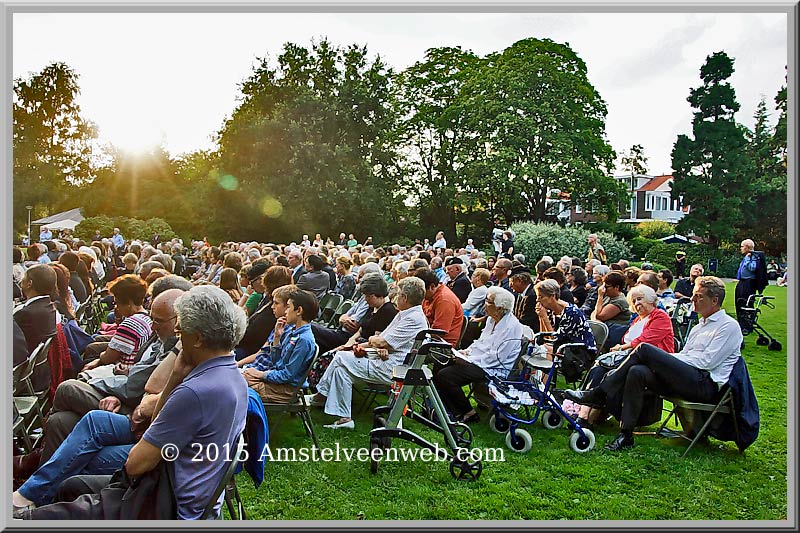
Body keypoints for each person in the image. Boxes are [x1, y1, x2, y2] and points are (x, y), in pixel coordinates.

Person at [17, 285, 249, 520]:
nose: (178, 341)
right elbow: (154, 425)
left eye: (180, 333)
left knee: (57, 493)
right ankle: (30, 494)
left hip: (164, 504)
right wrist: (176, 375)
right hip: (183, 494)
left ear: (197, 338)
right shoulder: (233, 378)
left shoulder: (195, 392)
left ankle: (24, 509)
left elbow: (135, 465)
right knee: (72, 479)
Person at [565, 276, 742, 452]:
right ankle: (626, 434)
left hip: (705, 384)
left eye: (698, 296)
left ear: (715, 300)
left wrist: (667, 359)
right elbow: (687, 355)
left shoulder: (728, 327)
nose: (692, 299)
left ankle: (599, 392)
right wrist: (671, 359)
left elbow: (706, 362)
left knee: (644, 349)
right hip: (688, 377)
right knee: (637, 371)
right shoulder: (699, 327)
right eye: (694, 295)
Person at [307, 276, 429, 430]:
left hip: (392, 368)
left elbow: (382, 342)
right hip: (387, 360)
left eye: (397, 294)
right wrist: (369, 342)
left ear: (404, 298)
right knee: (340, 370)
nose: (394, 297)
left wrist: (373, 340)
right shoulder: (405, 314)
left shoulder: (413, 318)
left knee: (340, 357)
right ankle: (345, 419)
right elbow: (382, 341)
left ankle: (320, 395)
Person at [574, 285, 674, 430]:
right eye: (633, 301)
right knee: (598, 369)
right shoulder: (637, 320)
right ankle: (582, 417)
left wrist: (621, 348)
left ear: (651, 299)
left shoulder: (660, 316)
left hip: (652, 364)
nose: (637, 303)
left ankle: (589, 418)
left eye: (640, 299)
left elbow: (645, 341)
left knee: (609, 372)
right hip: (628, 358)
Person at [433, 286, 523, 423]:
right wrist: (466, 352)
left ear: (500, 308)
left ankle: (468, 412)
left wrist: (469, 359)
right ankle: (444, 407)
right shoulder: (491, 319)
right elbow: (481, 343)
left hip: (493, 368)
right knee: (441, 362)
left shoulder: (511, 327)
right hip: (481, 360)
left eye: (488, 301)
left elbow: (497, 357)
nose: (484, 304)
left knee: (446, 376)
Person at [241, 289, 318, 403]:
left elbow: (287, 375)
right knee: (236, 377)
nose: (286, 311)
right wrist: (277, 338)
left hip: (286, 390)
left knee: (237, 386)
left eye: (288, 307)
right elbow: (277, 362)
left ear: (299, 311)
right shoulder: (293, 331)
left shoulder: (303, 340)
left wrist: (261, 374)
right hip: (277, 382)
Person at [81, 275, 152, 375]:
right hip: (131, 366)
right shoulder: (146, 316)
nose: (116, 307)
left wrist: (98, 360)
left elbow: (108, 358)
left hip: (122, 372)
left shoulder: (131, 324)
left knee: (86, 364)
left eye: (117, 302)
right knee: (93, 347)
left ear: (128, 303)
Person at [535, 279, 597, 360]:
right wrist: (541, 317)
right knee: (539, 348)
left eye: (541, 297)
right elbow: (546, 336)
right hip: (563, 347)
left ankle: (549, 372)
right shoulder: (550, 310)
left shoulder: (571, 313)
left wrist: (544, 318)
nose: (537, 300)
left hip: (580, 353)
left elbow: (555, 339)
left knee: (544, 350)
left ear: (552, 296)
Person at [415, 267, 464, 348]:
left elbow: (438, 333)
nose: (421, 295)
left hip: (440, 346)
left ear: (432, 286)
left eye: (422, 292)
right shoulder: (429, 295)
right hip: (427, 338)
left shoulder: (445, 300)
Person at [735, 239, 760, 335]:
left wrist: (748, 258)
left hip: (749, 283)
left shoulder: (753, 257)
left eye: (742, 246)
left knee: (747, 303)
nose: (741, 248)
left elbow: (753, 268)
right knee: (739, 302)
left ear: (748, 247)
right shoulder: (746, 257)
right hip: (742, 282)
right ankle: (741, 324)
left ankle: (747, 326)